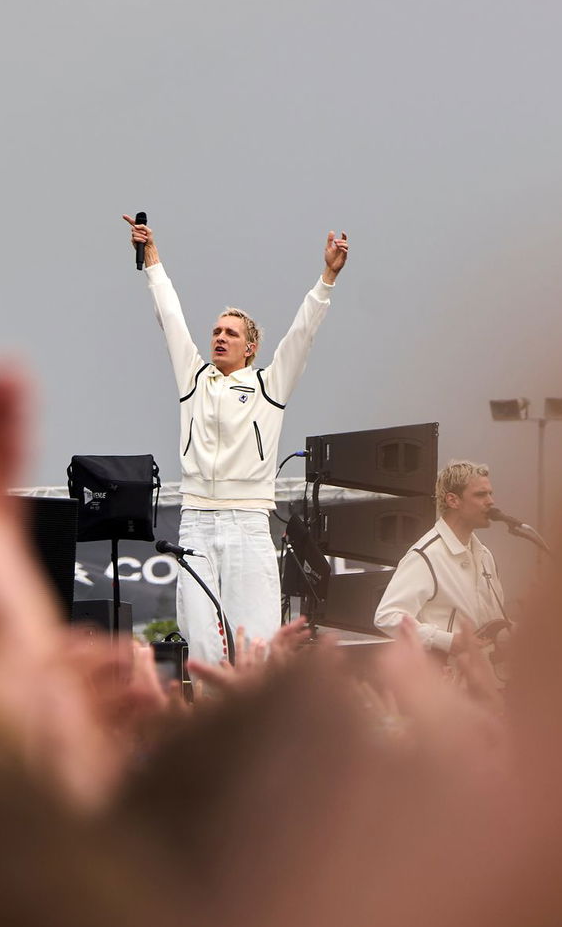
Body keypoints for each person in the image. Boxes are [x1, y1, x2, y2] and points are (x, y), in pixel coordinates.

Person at [124, 215, 348, 667]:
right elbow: (170, 317)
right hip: (196, 522)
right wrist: (151, 258)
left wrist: (327, 278)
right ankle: (210, 708)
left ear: (250, 348)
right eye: (216, 331)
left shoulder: (269, 385)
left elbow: (302, 334)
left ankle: (255, 711)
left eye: (231, 333)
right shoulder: (193, 378)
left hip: (248, 521)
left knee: (255, 643)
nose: (220, 338)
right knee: (202, 643)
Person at [374, 460, 509, 660]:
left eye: (490, 493)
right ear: (453, 500)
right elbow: (387, 616)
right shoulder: (426, 555)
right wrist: (447, 641)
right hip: (447, 673)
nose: (491, 501)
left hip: (486, 671)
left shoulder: (485, 555)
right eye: (481, 494)